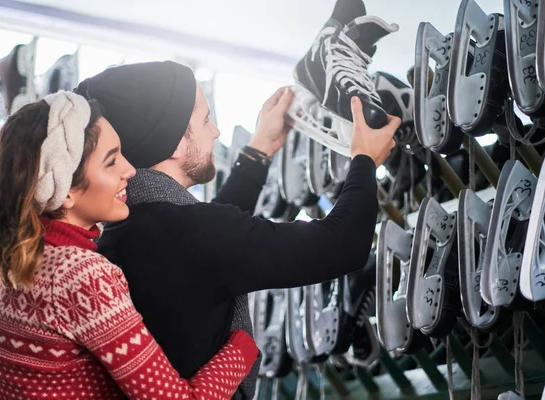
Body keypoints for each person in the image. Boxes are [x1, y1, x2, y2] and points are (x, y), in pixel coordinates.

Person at [74, 57, 397, 399]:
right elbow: (343, 245)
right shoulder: (190, 233)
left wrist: (259, 152)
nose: (214, 131)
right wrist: (364, 160)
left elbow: (210, 242)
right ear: (176, 145)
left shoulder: (124, 233)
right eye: (205, 119)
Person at [0, 91, 259, 400]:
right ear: (65, 191)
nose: (129, 170)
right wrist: (241, 348)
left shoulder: (8, 260)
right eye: (111, 162)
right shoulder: (80, 276)